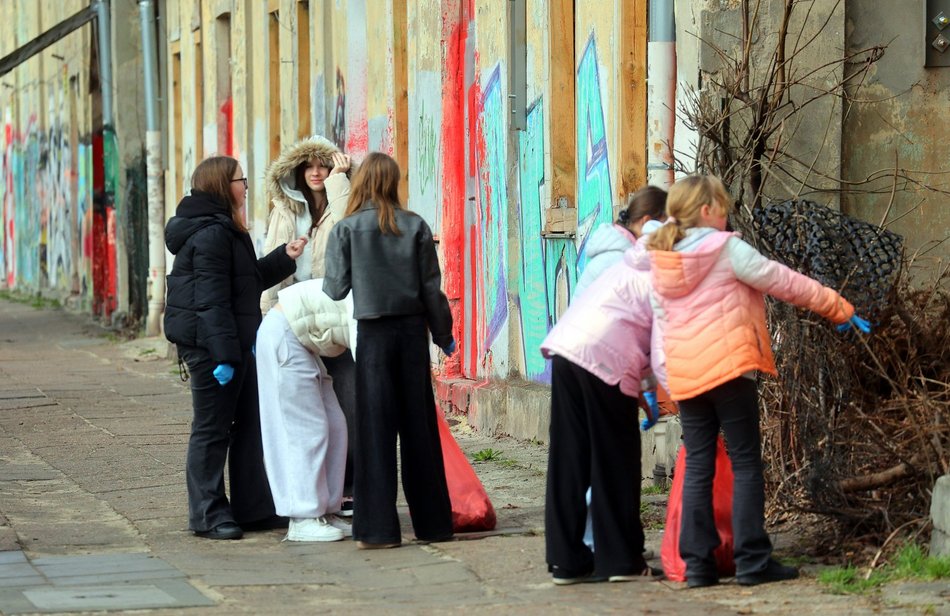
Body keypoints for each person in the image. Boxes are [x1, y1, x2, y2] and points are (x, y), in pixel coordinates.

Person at [645, 175, 870, 587]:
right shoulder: (725, 248)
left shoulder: (662, 260)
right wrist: (836, 306)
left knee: (697, 465)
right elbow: (783, 281)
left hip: (688, 377)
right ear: (708, 210)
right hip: (730, 369)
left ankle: (698, 566)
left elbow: (659, 330)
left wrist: (664, 382)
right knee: (746, 461)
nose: (727, 211)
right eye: (723, 204)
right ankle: (751, 562)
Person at [164, 155, 307, 540]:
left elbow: (245, 281)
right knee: (212, 429)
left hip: (234, 342)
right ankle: (208, 514)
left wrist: (283, 257)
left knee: (249, 426)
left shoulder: (226, 228)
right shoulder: (211, 233)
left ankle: (253, 509)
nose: (246, 186)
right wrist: (226, 357)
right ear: (222, 186)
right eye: (241, 180)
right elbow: (210, 302)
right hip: (213, 348)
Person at [323, 152, 455, 549]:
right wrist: (443, 335)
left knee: (374, 433)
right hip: (412, 334)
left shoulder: (345, 230)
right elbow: (433, 290)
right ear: (394, 182)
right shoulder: (414, 225)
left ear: (361, 182)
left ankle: (378, 529)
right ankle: (434, 525)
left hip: (374, 338)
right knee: (420, 431)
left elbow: (335, 289)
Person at [540, 243, 661, 585]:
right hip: (605, 362)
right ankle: (620, 561)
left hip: (567, 350)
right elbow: (661, 344)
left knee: (569, 461)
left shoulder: (628, 264)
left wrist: (642, 386)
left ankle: (567, 562)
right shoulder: (667, 274)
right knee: (616, 461)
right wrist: (675, 392)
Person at [260, 134, 357, 516]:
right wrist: (266, 315)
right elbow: (271, 262)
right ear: (297, 172)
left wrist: (339, 180)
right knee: (306, 416)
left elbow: (350, 223)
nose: (316, 172)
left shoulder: (340, 197)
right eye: (309, 166)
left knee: (348, 406)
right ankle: (307, 494)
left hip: (332, 318)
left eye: (323, 165)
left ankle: (347, 489)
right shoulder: (284, 209)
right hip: (293, 320)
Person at [256, 279, 355, 542]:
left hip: (304, 339)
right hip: (285, 333)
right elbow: (367, 356)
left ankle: (326, 509)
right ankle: (302, 517)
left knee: (335, 425)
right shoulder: (372, 299)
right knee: (305, 429)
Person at [574, 185, 667, 297]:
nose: (669, 232)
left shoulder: (620, 249)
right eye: (665, 224)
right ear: (646, 221)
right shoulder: (621, 259)